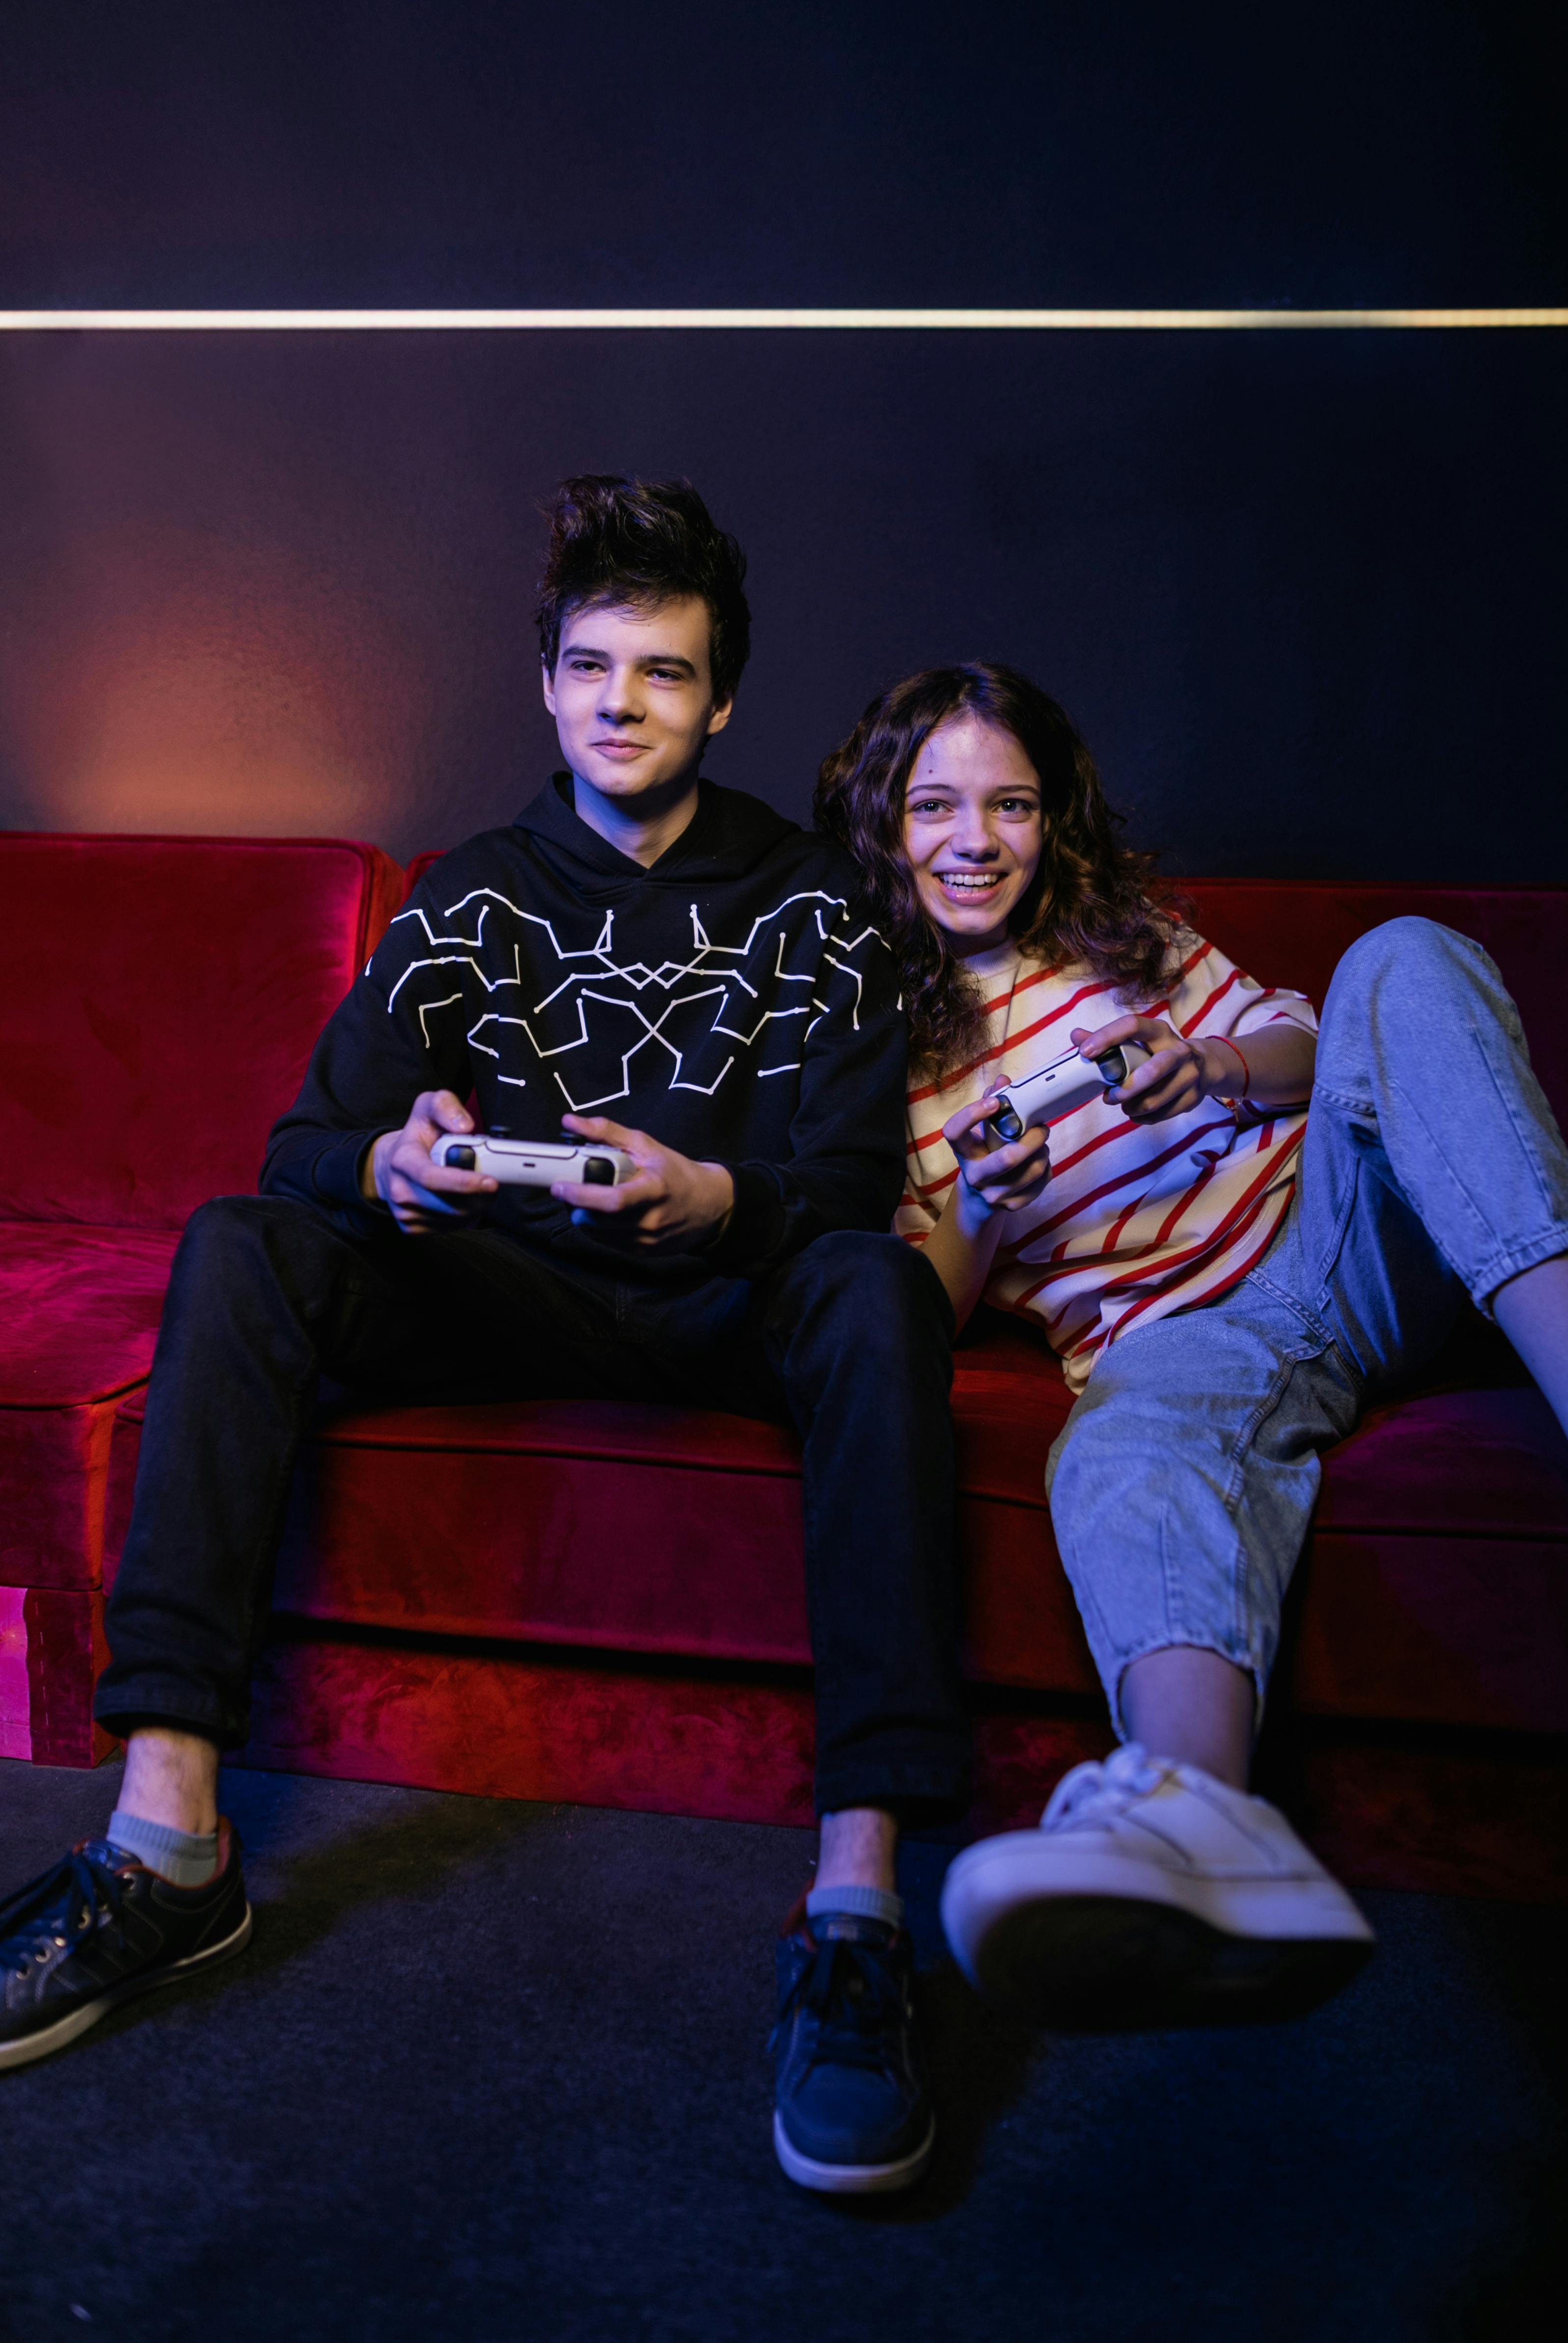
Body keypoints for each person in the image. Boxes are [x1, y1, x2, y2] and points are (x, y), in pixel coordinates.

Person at [0, 477, 961, 2197]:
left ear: (721, 700)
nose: (621, 703)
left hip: (728, 1294)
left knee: (874, 1279)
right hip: (502, 1284)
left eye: (662, 675)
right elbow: (302, 1156)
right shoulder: (465, 900)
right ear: (545, 685)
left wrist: (715, 1203)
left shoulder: (821, 906)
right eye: (592, 668)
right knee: (244, 1240)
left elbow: (850, 1181)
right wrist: (396, 1163)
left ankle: (859, 1911)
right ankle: (167, 1844)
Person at [815, 661, 1568, 2027]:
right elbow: (914, 1304)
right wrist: (984, 1200)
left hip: (1351, 1241)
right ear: (883, 825)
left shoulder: (1128, 945)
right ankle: (1198, 1828)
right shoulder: (875, 1055)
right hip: (1175, 1346)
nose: (972, 841)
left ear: (1054, 823)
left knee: (1398, 956)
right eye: (934, 806)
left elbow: (1311, 1040)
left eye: (1011, 806)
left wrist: (1206, 1065)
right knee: (1116, 1448)